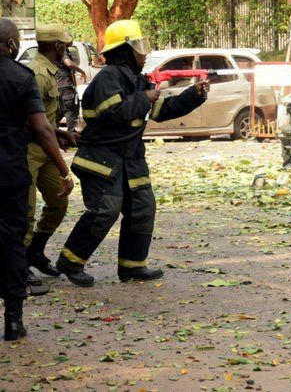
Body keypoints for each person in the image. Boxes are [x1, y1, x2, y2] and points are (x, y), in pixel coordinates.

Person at [56, 20, 208, 287]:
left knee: (142, 208)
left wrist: (193, 95)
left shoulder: (138, 80)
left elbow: (162, 111)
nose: (144, 53)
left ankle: (132, 266)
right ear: (124, 51)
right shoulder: (108, 77)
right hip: (102, 160)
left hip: (131, 160)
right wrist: (144, 98)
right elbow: (112, 112)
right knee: (106, 210)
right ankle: (70, 261)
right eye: (139, 47)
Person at [0, 19, 71, 341]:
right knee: (12, 241)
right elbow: (40, 128)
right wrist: (64, 168)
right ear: (12, 45)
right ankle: (13, 320)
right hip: (10, 171)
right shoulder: (20, 76)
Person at [25, 25, 79, 284]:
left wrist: (56, 132)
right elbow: (29, 120)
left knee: (58, 203)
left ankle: (34, 251)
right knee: (25, 211)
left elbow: (42, 117)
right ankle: (17, 266)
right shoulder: (36, 73)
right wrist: (63, 167)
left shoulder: (49, 70)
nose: (66, 49)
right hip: (29, 150)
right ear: (57, 46)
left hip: (45, 145)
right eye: (64, 45)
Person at [57, 43, 86, 133]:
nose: (71, 42)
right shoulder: (62, 51)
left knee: (60, 111)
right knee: (70, 111)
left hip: (59, 85)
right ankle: (71, 136)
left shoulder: (56, 51)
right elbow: (68, 63)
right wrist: (81, 71)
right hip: (65, 86)